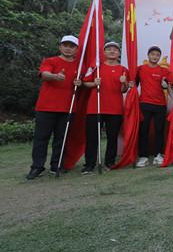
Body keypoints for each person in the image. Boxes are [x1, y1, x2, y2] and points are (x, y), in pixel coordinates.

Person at [27, 35, 82, 180]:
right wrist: (55, 76)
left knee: (61, 139)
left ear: (76, 49)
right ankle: (37, 167)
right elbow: (44, 74)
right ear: (60, 47)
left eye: (72, 46)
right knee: (41, 138)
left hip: (67, 108)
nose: (68, 49)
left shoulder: (79, 65)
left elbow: (83, 82)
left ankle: (57, 165)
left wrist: (80, 83)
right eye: (65, 45)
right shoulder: (50, 61)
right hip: (46, 107)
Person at [81, 42, 130, 174]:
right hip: (95, 107)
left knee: (112, 137)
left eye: (115, 49)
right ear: (104, 52)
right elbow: (85, 82)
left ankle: (110, 162)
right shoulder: (96, 67)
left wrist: (124, 83)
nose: (112, 51)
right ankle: (89, 165)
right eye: (109, 49)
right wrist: (94, 83)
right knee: (92, 138)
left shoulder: (123, 69)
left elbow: (124, 90)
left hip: (115, 109)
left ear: (119, 53)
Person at [136, 45, 173, 167]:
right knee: (143, 130)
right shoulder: (140, 69)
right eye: (153, 54)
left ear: (159, 57)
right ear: (148, 55)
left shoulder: (164, 71)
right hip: (144, 104)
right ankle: (143, 156)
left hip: (160, 105)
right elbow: (134, 85)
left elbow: (168, 86)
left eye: (157, 55)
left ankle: (159, 155)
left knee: (159, 131)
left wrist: (170, 93)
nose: (155, 57)